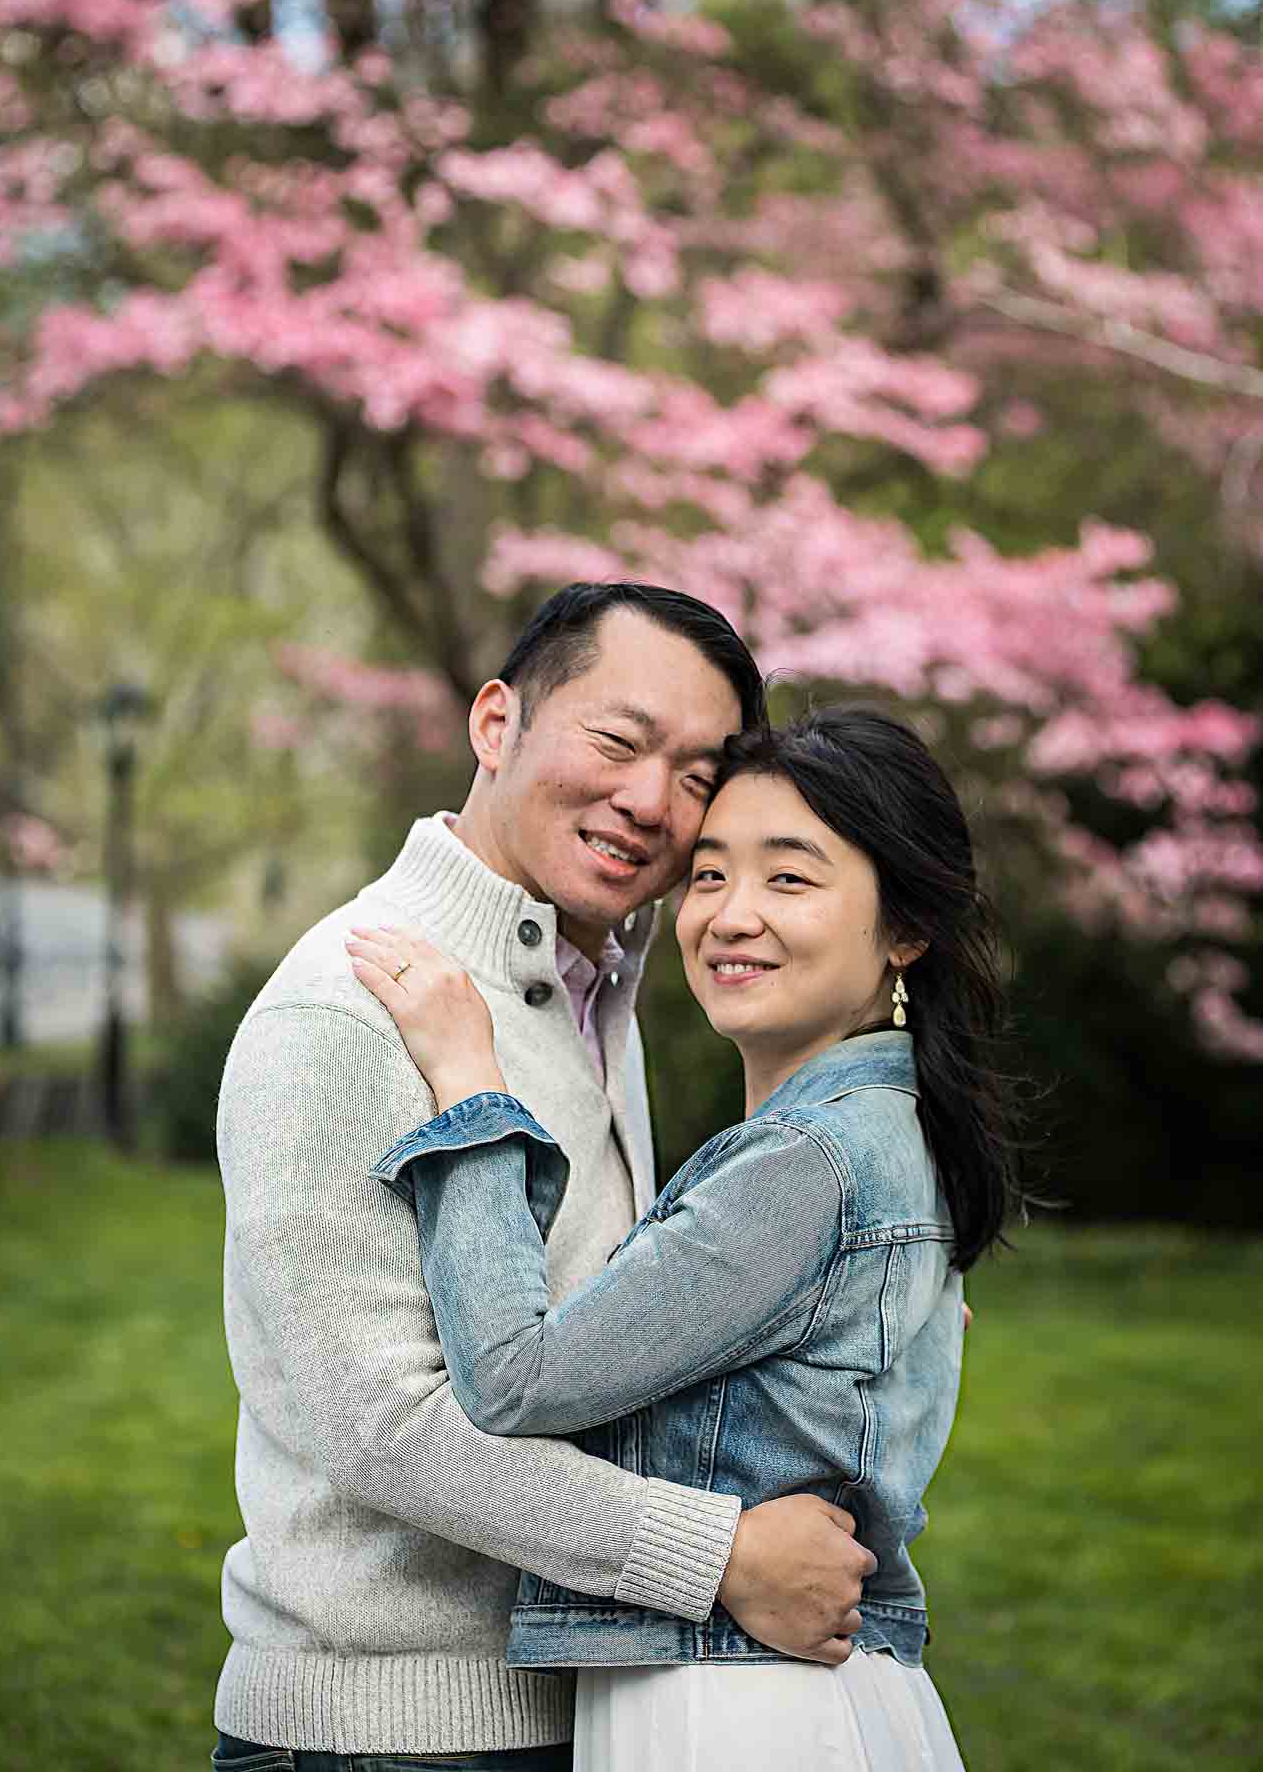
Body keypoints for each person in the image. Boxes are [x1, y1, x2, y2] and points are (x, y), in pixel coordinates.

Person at [212, 585, 878, 1772]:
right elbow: (383, 1426)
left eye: (695, 775)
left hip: (580, 1705)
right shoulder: (348, 1005)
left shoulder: (587, 981)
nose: (647, 800)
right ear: (494, 723)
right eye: (618, 742)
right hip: (388, 1738)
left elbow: (606, 1326)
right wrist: (714, 1555)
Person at [348, 704, 1022, 1772]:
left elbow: (516, 1378)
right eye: (708, 875)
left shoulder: (807, 1161)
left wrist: (471, 1086)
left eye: (788, 878)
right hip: (778, 1689)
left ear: (903, 927)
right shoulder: (889, 1134)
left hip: (741, 1709)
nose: (730, 915)